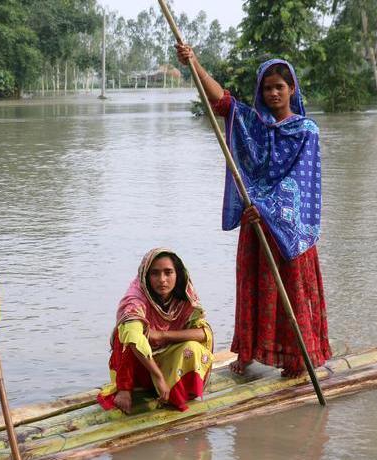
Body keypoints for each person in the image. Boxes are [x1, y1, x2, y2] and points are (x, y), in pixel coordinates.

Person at [175, 45, 331, 378]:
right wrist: (193, 64)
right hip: (256, 224)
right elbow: (223, 103)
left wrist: (269, 208)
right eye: (267, 87)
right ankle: (246, 355)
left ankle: (297, 360)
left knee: (292, 291)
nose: (273, 93)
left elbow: (302, 184)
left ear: (292, 90)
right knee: (252, 289)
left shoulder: (307, 131)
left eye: (280, 87)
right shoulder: (254, 126)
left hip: (289, 229)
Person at [97, 248, 214, 413]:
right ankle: (125, 389)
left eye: (168, 273)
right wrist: (158, 377)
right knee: (126, 332)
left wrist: (162, 335)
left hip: (163, 357)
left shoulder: (184, 297)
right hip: (138, 366)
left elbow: (204, 333)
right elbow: (133, 340)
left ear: (177, 274)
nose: (162, 280)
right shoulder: (135, 299)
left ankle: (175, 392)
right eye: (155, 273)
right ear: (146, 276)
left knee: (193, 348)